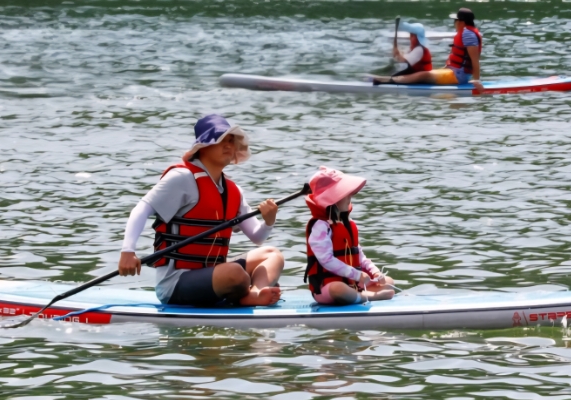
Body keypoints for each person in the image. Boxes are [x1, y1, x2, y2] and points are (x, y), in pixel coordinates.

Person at [118, 114, 284, 307]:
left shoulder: (233, 190)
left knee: (273, 255)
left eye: (231, 141)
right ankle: (244, 293)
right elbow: (141, 209)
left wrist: (269, 221)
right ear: (203, 145)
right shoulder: (181, 178)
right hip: (176, 282)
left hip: (215, 273)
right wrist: (127, 252)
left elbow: (257, 237)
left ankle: (255, 293)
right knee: (235, 273)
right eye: (221, 140)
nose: (229, 145)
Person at [304, 166, 395, 305]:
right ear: (331, 201)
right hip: (326, 288)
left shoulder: (347, 224)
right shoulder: (320, 226)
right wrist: (357, 275)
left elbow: (360, 256)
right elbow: (326, 260)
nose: (349, 197)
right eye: (344, 193)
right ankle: (368, 297)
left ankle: (360, 293)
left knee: (388, 282)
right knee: (338, 289)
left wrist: (375, 272)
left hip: (352, 283)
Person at [374, 8, 484, 94]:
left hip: (459, 76)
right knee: (425, 75)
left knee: (424, 75)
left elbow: (475, 59)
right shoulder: (467, 33)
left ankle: (388, 81)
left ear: (462, 22)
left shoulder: (468, 34)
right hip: (453, 72)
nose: (454, 23)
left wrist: (477, 81)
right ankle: (391, 79)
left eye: (455, 20)